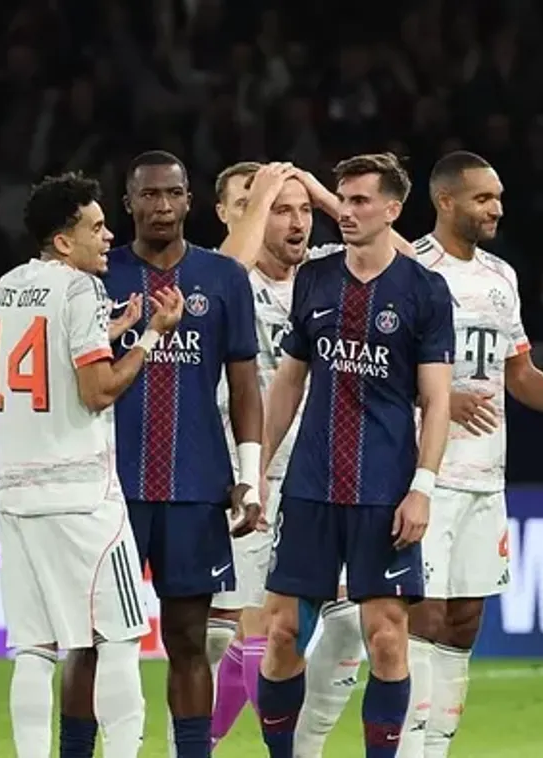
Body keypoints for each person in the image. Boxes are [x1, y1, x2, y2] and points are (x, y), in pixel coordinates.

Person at [395, 150, 543, 758]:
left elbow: (519, 372)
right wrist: (439, 397)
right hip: (426, 476)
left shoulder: (501, 277)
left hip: (487, 478)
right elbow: (383, 367)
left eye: (498, 198)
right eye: (483, 198)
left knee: (464, 620)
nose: (496, 209)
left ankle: (436, 750)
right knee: (424, 616)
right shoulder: (412, 268)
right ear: (445, 201)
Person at [254, 152, 455, 758]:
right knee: (283, 633)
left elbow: (436, 401)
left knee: (387, 638)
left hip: (384, 491)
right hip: (311, 485)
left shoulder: (424, 290)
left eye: (360, 200)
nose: (345, 211)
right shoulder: (315, 279)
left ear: (392, 209)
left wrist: (423, 487)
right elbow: (290, 381)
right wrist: (254, 469)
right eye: (342, 199)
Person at [0, 172, 180, 758]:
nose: (108, 237)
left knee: (34, 649)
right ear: (63, 241)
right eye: (95, 228)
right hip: (81, 495)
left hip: (14, 491)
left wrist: (108, 331)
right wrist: (149, 336)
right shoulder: (81, 290)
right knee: (119, 636)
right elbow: (97, 392)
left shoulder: (6, 287)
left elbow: (41, 356)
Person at [94, 150, 264, 758]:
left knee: (191, 641)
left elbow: (245, 386)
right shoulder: (99, 277)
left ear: (190, 201)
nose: (162, 206)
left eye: (172, 193)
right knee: (97, 642)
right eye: (149, 195)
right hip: (111, 488)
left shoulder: (223, 278)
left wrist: (249, 478)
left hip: (196, 487)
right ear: (128, 204)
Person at [216, 160, 369, 756]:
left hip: (326, 473)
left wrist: (330, 199)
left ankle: (294, 745)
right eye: (277, 210)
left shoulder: (328, 274)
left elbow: (412, 268)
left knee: (344, 622)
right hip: (249, 470)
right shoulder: (228, 279)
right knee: (252, 627)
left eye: (302, 211)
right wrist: (260, 206)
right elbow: (220, 278)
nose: (296, 222)